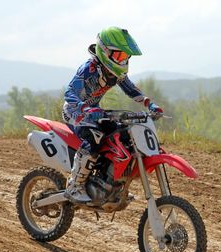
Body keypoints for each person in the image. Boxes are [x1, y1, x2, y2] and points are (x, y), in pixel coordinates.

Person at [62, 27, 163, 203]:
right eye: (119, 56)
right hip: (75, 113)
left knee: (121, 134)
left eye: (125, 57)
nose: (123, 60)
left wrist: (149, 104)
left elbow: (131, 89)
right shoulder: (89, 69)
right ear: (105, 51)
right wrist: (84, 108)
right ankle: (75, 186)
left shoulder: (114, 72)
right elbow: (70, 93)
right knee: (94, 139)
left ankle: (110, 184)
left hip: (95, 111)